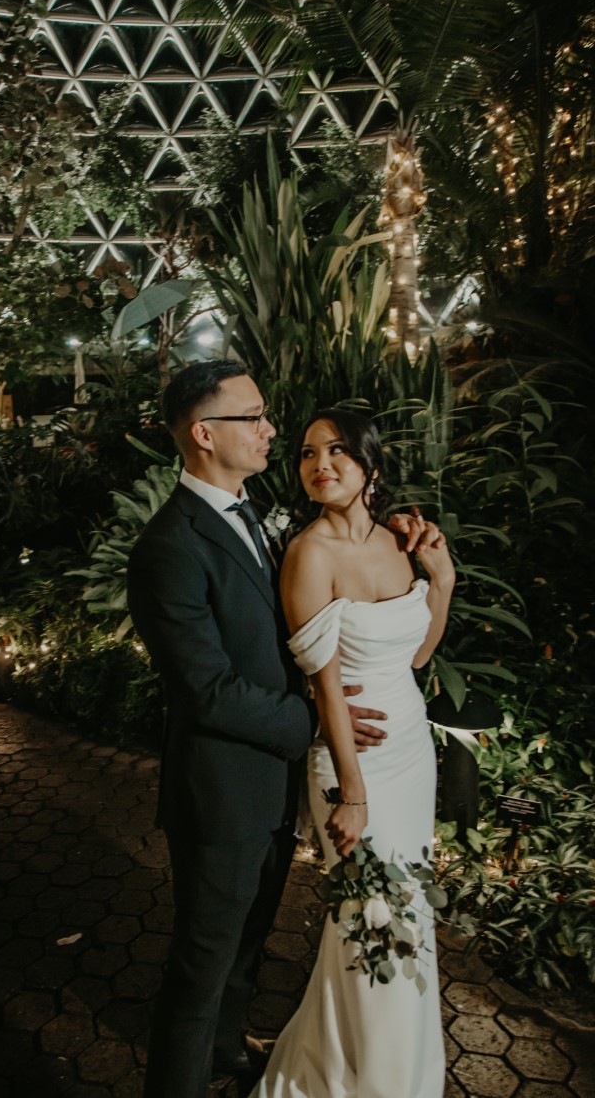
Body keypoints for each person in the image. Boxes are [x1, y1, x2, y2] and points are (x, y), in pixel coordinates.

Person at [127, 362, 440, 1098]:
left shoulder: (251, 512)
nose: (272, 431)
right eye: (255, 418)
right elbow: (205, 691)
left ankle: (230, 1050)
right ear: (205, 434)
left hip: (275, 782)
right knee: (200, 964)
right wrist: (319, 724)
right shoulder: (169, 546)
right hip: (222, 789)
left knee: (247, 944)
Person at [250, 408, 456, 1098]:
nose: (320, 464)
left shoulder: (403, 539)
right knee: (373, 918)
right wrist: (354, 789)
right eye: (308, 453)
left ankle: (386, 1069)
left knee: (408, 917)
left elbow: (418, 655)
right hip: (351, 763)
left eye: (338, 450)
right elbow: (327, 686)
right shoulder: (309, 555)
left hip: (410, 749)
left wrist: (443, 580)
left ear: (370, 461)